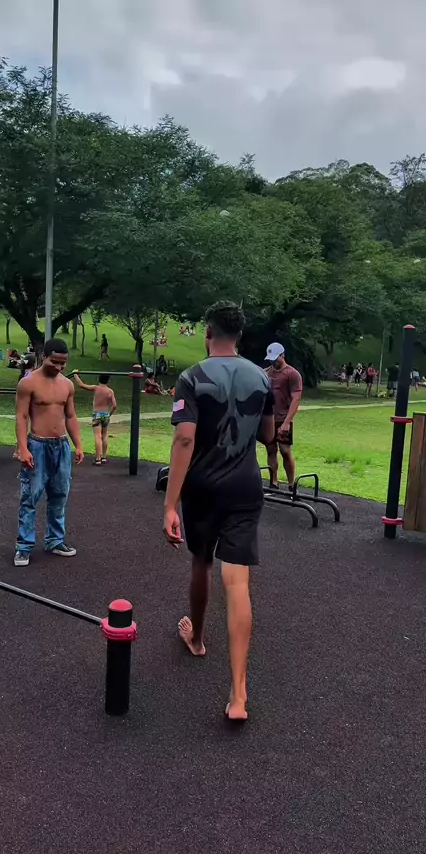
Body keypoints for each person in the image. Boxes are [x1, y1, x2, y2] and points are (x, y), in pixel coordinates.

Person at [163, 301, 275, 722]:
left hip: (203, 488)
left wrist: (169, 504)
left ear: (208, 332)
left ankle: (196, 638)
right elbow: (267, 434)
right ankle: (238, 695)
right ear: (239, 335)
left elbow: (184, 440)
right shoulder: (261, 377)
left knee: (201, 561)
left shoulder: (192, 377)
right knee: (237, 580)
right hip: (245, 486)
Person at [13, 338, 84, 567]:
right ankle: (24, 546)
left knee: (60, 495)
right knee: (30, 497)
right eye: (55, 361)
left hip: (61, 446)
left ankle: (55, 540)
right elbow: (21, 416)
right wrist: (23, 448)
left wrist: (78, 444)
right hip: (37, 445)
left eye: (63, 363)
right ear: (43, 356)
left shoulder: (67, 385)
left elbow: (70, 416)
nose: (59, 367)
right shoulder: (28, 383)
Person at [264, 343, 303, 490]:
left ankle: (291, 484)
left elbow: (296, 399)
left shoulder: (292, 374)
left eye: (276, 358)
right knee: (271, 450)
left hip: (283, 418)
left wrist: (287, 422)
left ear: (283, 355)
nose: (273, 361)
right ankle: (273, 482)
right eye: (271, 359)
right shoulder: (265, 373)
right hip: (269, 418)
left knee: (285, 451)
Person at [73, 372, 117, 465]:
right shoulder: (110, 391)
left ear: (98, 379)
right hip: (105, 414)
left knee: (97, 436)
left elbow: (81, 385)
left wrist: (75, 375)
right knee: (104, 435)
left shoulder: (96, 388)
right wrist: (109, 414)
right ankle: (104, 457)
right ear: (108, 381)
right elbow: (114, 406)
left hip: (97, 414)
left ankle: (98, 459)